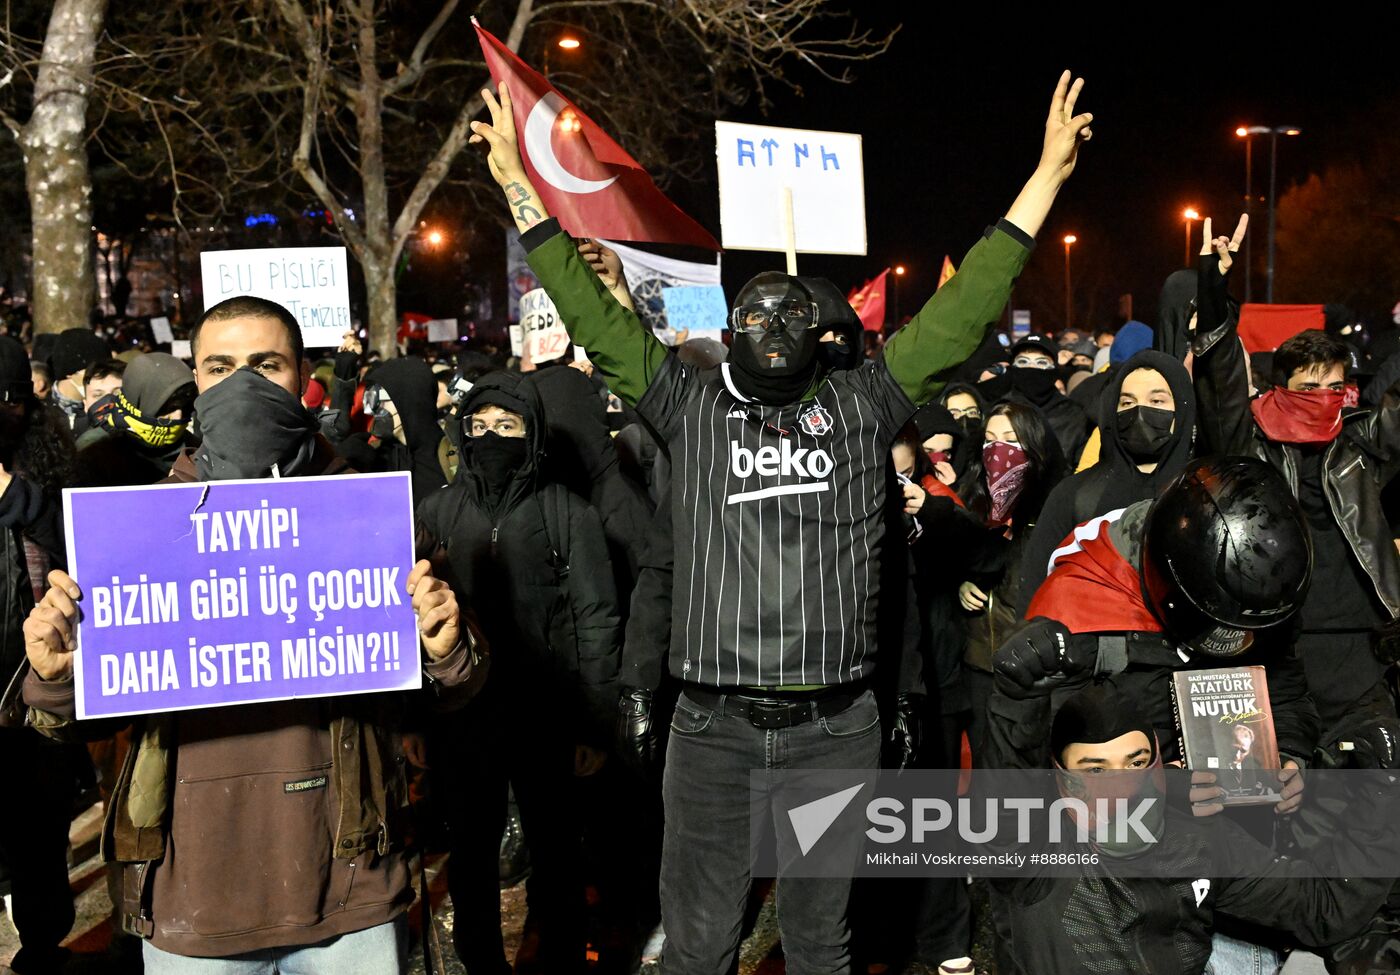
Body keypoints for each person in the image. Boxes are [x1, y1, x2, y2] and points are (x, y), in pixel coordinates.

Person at [471, 67, 1092, 973]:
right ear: (728, 328)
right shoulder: (688, 407)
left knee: (818, 943)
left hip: (834, 730)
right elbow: (597, 321)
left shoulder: (866, 404)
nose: (771, 320)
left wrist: (1045, 180)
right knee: (699, 944)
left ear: (819, 331)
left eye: (790, 309)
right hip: (713, 729)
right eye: (753, 308)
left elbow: (964, 311)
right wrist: (520, 191)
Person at [21, 295, 485, 972]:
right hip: (193, 899)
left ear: (303, 377)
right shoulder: (134, 533)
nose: (243, 385)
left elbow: (450, 691)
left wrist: (447, 650)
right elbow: (76, 722)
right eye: (221, 366)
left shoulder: (372, 519)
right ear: (195, 384)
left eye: (265, 364)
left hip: (348, 892)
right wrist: (55, 675)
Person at [986, 671, 1400, 975]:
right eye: (1096, 771)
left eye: (1136, 762)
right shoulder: (1037, 850)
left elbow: (1320, 908)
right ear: (1062, 779)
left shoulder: (1200, 834)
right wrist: (1014, 701)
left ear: (1158, 765)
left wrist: (1381, 792)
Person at [415, 369, 621, 974]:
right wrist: (413, 720)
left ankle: (554, 957)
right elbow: (410, 622)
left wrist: (594, 728)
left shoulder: (567, 514)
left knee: (556, 853)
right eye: (477, 426)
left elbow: (597, 622)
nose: (489, 438)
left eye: (506, 427)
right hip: (461, 719)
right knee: (471, 854)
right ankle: (480, 961)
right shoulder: (438, 511)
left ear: (531, 437)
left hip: (547, 717)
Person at [1192, 215, 1400, 739]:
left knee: (1369, 782)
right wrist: (1213, 289)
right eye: (1310, 387)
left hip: (1359, 642)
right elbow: (1219, 381)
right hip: (1280, 638)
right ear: (1279, 386)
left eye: (1336, 385)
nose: (1326, 397)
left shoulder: (1361, 439)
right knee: (1285, 781)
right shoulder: (1251, 440)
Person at [1020, 456, 1318, 782]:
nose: (1229, 639)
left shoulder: (1269, 594)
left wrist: (1290, 757)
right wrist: (1158, 789)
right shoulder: (1076, 607)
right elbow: (1053, 760)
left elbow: (1285, 694)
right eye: (1217, 622)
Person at [0, 336, 78, 975]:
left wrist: (9, 495)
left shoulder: (45, 477)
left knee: (36, 837)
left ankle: (42, 949)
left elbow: (75, 556)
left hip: (33, 698)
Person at [1021, 349, 1196, 603]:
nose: (1139, 411)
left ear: (1182, 408)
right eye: (1126, 402)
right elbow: (1034, 593)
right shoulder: (1074, 495)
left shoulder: (1202, 493)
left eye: (1157, 401)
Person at [955, 401, 1065, 759]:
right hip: (978, 665)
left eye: (1009, 440)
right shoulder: (972, 498)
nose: (997, 450)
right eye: (989, 440)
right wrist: (962, 581)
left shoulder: (1057, 507)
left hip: (1033, 668)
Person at [74, 352, 196, 486]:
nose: (177, 417)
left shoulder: (195, 448)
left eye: (184, 407)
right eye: (166, 408)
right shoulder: (93, 450)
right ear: (138, 401)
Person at [995, 334, 1092, 462]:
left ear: (1055, 369)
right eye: (1023, 362)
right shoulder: (998, 411)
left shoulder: (1074, 415)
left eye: (1041, 362)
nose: (1031, 368)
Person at [46, 327, 110, 435]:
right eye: (96, 372)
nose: (105, 379)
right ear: (70, 373)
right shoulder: (43, 414)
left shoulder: (109, 406)